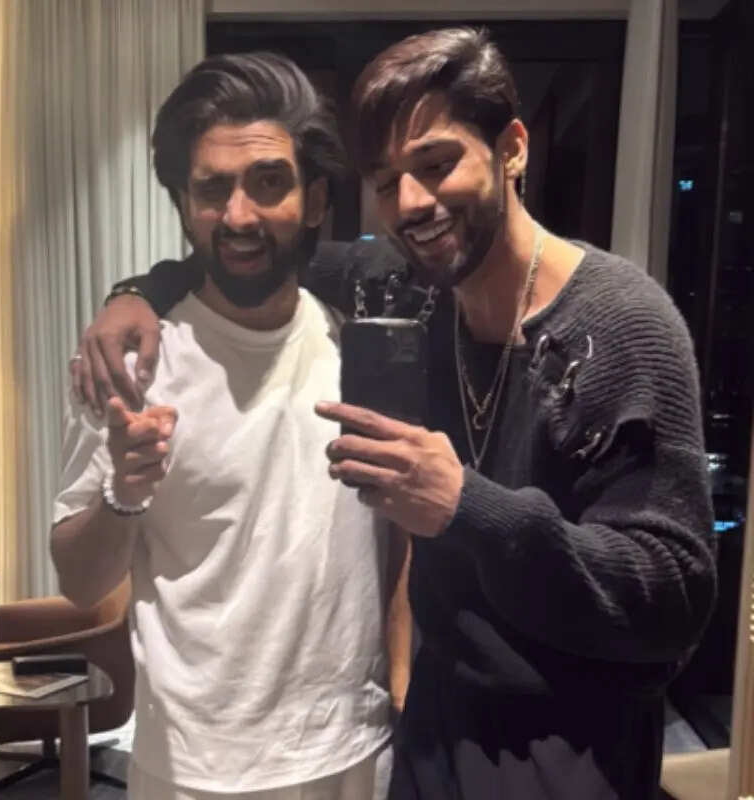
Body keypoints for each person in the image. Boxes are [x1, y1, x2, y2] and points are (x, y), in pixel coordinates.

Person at [71, 28, 717, 800]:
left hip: (575, 747)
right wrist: (137, 293)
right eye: (387, 181)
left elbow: (676, 596)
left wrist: (469, 506)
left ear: (512, 149)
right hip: (427, 743)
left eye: (437, 164)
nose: (412, 202)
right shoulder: (408, 292)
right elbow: (252, 249)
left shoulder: (623, 323)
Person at [52, 51, 407, 800]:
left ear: (315, 200)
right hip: (191, 767)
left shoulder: (362, 346)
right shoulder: (129, 363)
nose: (240, 216)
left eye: (269, 182)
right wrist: (124, 493)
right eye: (212, 189)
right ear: (184, 205)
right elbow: (80, 583)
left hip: (351, 749)